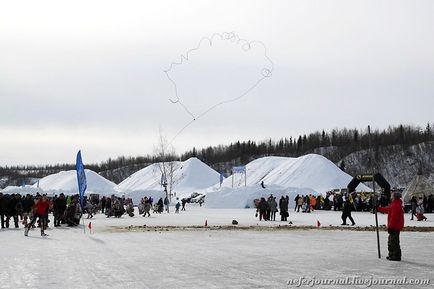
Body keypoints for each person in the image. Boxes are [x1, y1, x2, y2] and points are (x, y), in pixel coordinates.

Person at [377, 192, 404, 261]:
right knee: (391, 241)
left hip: (395, 226)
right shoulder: (394, 204)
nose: (391, 197)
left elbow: (394, 217)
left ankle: (396, 256)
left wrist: (391, 227)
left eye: (392, 195)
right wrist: (378, 208)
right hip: (394, 226)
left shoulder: (396, 205)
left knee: (394, 242)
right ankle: (392, 254)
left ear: (394, 197)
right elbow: (388, 210)